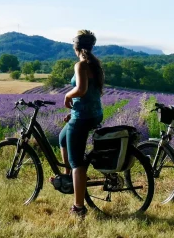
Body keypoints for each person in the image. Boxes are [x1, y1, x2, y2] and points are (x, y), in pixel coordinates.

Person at [58, 30, 104, 218]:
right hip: (93, 114)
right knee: (62, 139)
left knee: (77, 162)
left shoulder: (81, 65)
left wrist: (67, 95)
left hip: (83, 117)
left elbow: (81, 89)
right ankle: (68, 176)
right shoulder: (95, 64)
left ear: (75, 47)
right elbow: (93, 92)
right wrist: (72, 112)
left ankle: (78, 207)